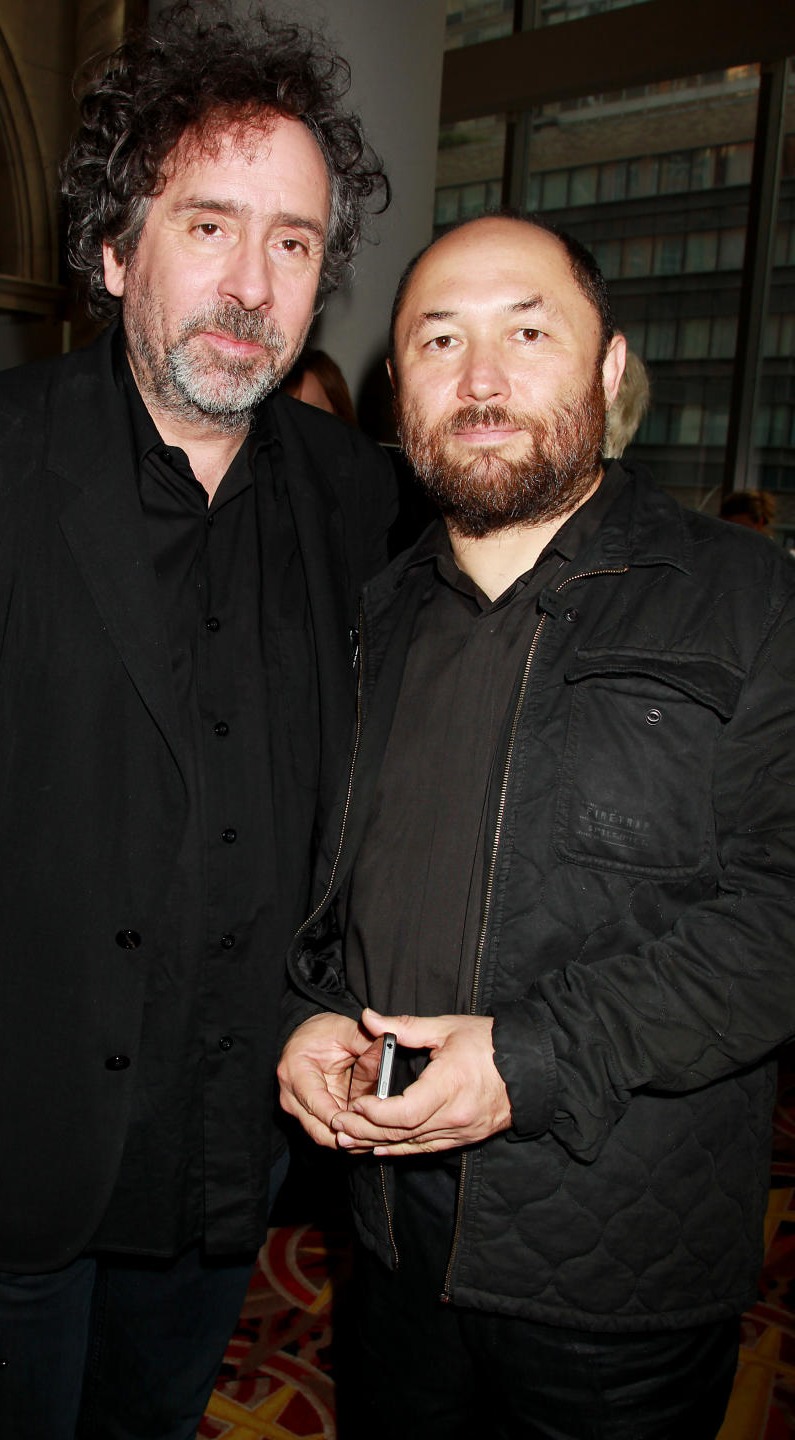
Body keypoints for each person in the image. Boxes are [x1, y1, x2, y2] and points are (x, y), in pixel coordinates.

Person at [0, 5, 392, 1437]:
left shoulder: (354, 497)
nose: (253, 282)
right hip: (3, 1141)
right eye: (210, 225)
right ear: (112, 248)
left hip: (225, 1153)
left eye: (294, 241)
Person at [278, 214, 795, 1439]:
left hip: (617, 1279)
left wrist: (532, 1059)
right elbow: (317, 885)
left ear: (609, 369)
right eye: (439, 342)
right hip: (393, 1244)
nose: (483, 379)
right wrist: (297, 1014)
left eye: (529, 331)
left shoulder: (754, 601)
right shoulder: (365, 622)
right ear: (398, 392)